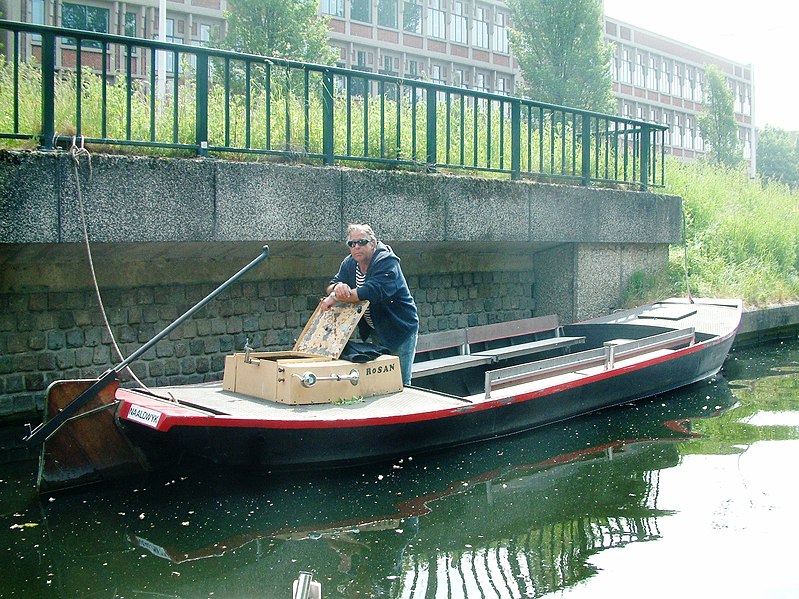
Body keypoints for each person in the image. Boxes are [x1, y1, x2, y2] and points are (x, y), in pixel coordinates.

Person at [321, 224, 419, 386]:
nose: (356, 247)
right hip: (376, 329)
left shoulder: (387, 261)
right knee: (380, 381)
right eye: (352, 244)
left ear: (373, 243)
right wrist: (337, 288)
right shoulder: (349, 263)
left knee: (400, 382)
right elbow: (332, 284)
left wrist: (335, 297)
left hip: (399, 328)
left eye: (362, 242)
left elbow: (371, 292)